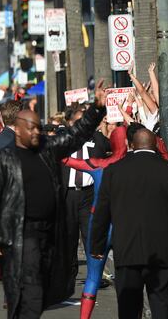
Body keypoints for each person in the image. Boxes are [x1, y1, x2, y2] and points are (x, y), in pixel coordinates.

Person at [0, 80, 108, 318]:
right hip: (19, 233)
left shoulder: (47, 149)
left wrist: (97, 109)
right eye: (31, 128)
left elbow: (75, 135)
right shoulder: (4, 159)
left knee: (38, 294)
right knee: (29, 293)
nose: (36, 132)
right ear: (17, 129)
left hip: (49, 234)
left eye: (38, 127)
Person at [90, 126, 168, 318]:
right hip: (163, 253)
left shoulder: (114, 172)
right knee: (163, 307)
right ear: (155, 145)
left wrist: (97, 246)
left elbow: (101, 213)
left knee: (129, 308)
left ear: (130, 145)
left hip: (127, 252)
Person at [61, 126, 127, 319]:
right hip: (123, 226)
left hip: (99, 227)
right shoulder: (132, 166)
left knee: (92, 277)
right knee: (127, 278)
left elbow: (69, 161)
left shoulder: (99, 164)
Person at [61, 104, 111, 293]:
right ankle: (67, 278)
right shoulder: (63, 139)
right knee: (68, 237)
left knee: (91, 236)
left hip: (88, 195)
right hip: (68, 194)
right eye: (78, 121)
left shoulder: (97, 139)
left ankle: (94, 276)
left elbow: (114, 147)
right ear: (71, 122)